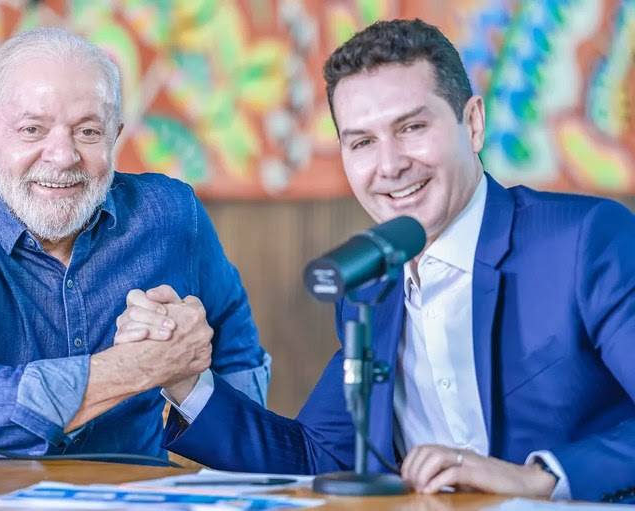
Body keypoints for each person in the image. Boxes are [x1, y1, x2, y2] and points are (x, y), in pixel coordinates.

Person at [121, 19, 635, 501]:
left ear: (473, 124)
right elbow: (319, 458)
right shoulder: (369, 281)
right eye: (363, 141)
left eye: (412, 128)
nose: (389, 165)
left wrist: (540, 478)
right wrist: (185, 380)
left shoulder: (583, 241)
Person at [0, 27, 270, 460]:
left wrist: (221, 435)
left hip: (132, 489)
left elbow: (235, 351)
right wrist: (139, 366)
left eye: (88, 132)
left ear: (114, 138)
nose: (63, 157)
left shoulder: (170, 214)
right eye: (32, 130)